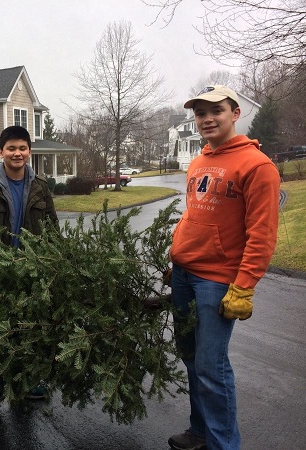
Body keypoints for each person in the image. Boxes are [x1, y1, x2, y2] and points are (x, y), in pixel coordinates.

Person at [168, 86, 279, 450]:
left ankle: (223, 445)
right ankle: (200, 431)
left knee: (211, 369)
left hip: (217, 281)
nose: (207, 119)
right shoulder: (200, 161)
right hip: (185, 274)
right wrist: (179, 253)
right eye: (200, 113)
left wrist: (244, 286)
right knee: (191, 358)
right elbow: (195, 214)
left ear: (235, 113)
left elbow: (261, 234)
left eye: (215, 110)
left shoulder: (257, 166)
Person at [0, 125, 59, 422]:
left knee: (30, 332)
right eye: (11, 148)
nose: (17, 153)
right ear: (1, 152)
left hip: (33, 274)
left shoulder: (40, 187)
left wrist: (56, 263)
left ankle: (29, 381)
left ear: (29, 151)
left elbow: (53, 230)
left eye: (22, 148)